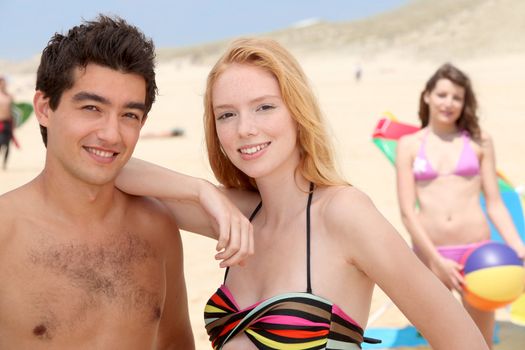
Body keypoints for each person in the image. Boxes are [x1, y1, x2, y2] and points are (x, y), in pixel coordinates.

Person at [117, 39, 489, 349]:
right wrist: (202, 191)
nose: (245, 128)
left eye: (264, 107)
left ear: (297, 112)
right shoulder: (239, 213)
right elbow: (112, 171)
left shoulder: (343, 213)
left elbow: (463, 341)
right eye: (226, 115)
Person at [0, 15, 253, 350]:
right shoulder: (6, 231)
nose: (111, 134)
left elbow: (175, 344)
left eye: (129, 115)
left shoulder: (157, 227)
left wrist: (200, 189)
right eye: (91, 107)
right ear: (45, 108)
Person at [396, 63, 525, 348]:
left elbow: (495, 203)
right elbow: (407, 212)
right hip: (430, 256)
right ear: (427, 95)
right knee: (440, 341)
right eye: (442, 94)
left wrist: (517, 246)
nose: (449, 103)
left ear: (465, 102)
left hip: (478, 254)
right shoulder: (408, 145)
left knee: (481, 342)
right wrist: (437, 262)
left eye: (457, 97)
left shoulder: (480, 140)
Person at [0, 76, 14, 169]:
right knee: (0, 143)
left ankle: (4, 164)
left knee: (8, 145)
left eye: (5, 83)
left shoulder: (10, 96)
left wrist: (14, 123)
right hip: (0, 123)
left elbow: (13, 110)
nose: (4, 85)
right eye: (2, 83)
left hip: (8, 123)